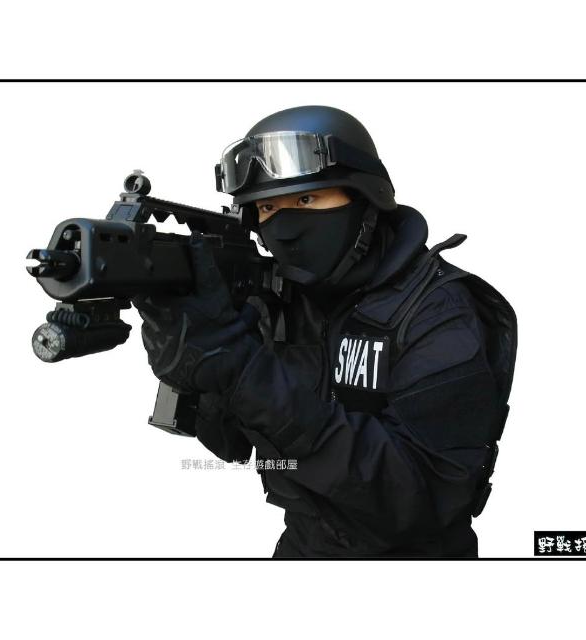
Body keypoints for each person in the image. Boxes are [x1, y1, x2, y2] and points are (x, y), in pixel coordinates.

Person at [132, 105, 517, 558]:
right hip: (303, 545)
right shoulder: (285, 297)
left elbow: (420, 502)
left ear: (366, 199)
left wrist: (244, 373)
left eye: (307, 200)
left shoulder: (439, 311)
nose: (284, 228)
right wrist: (199, 356)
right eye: (268, 208)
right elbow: (231, 445)